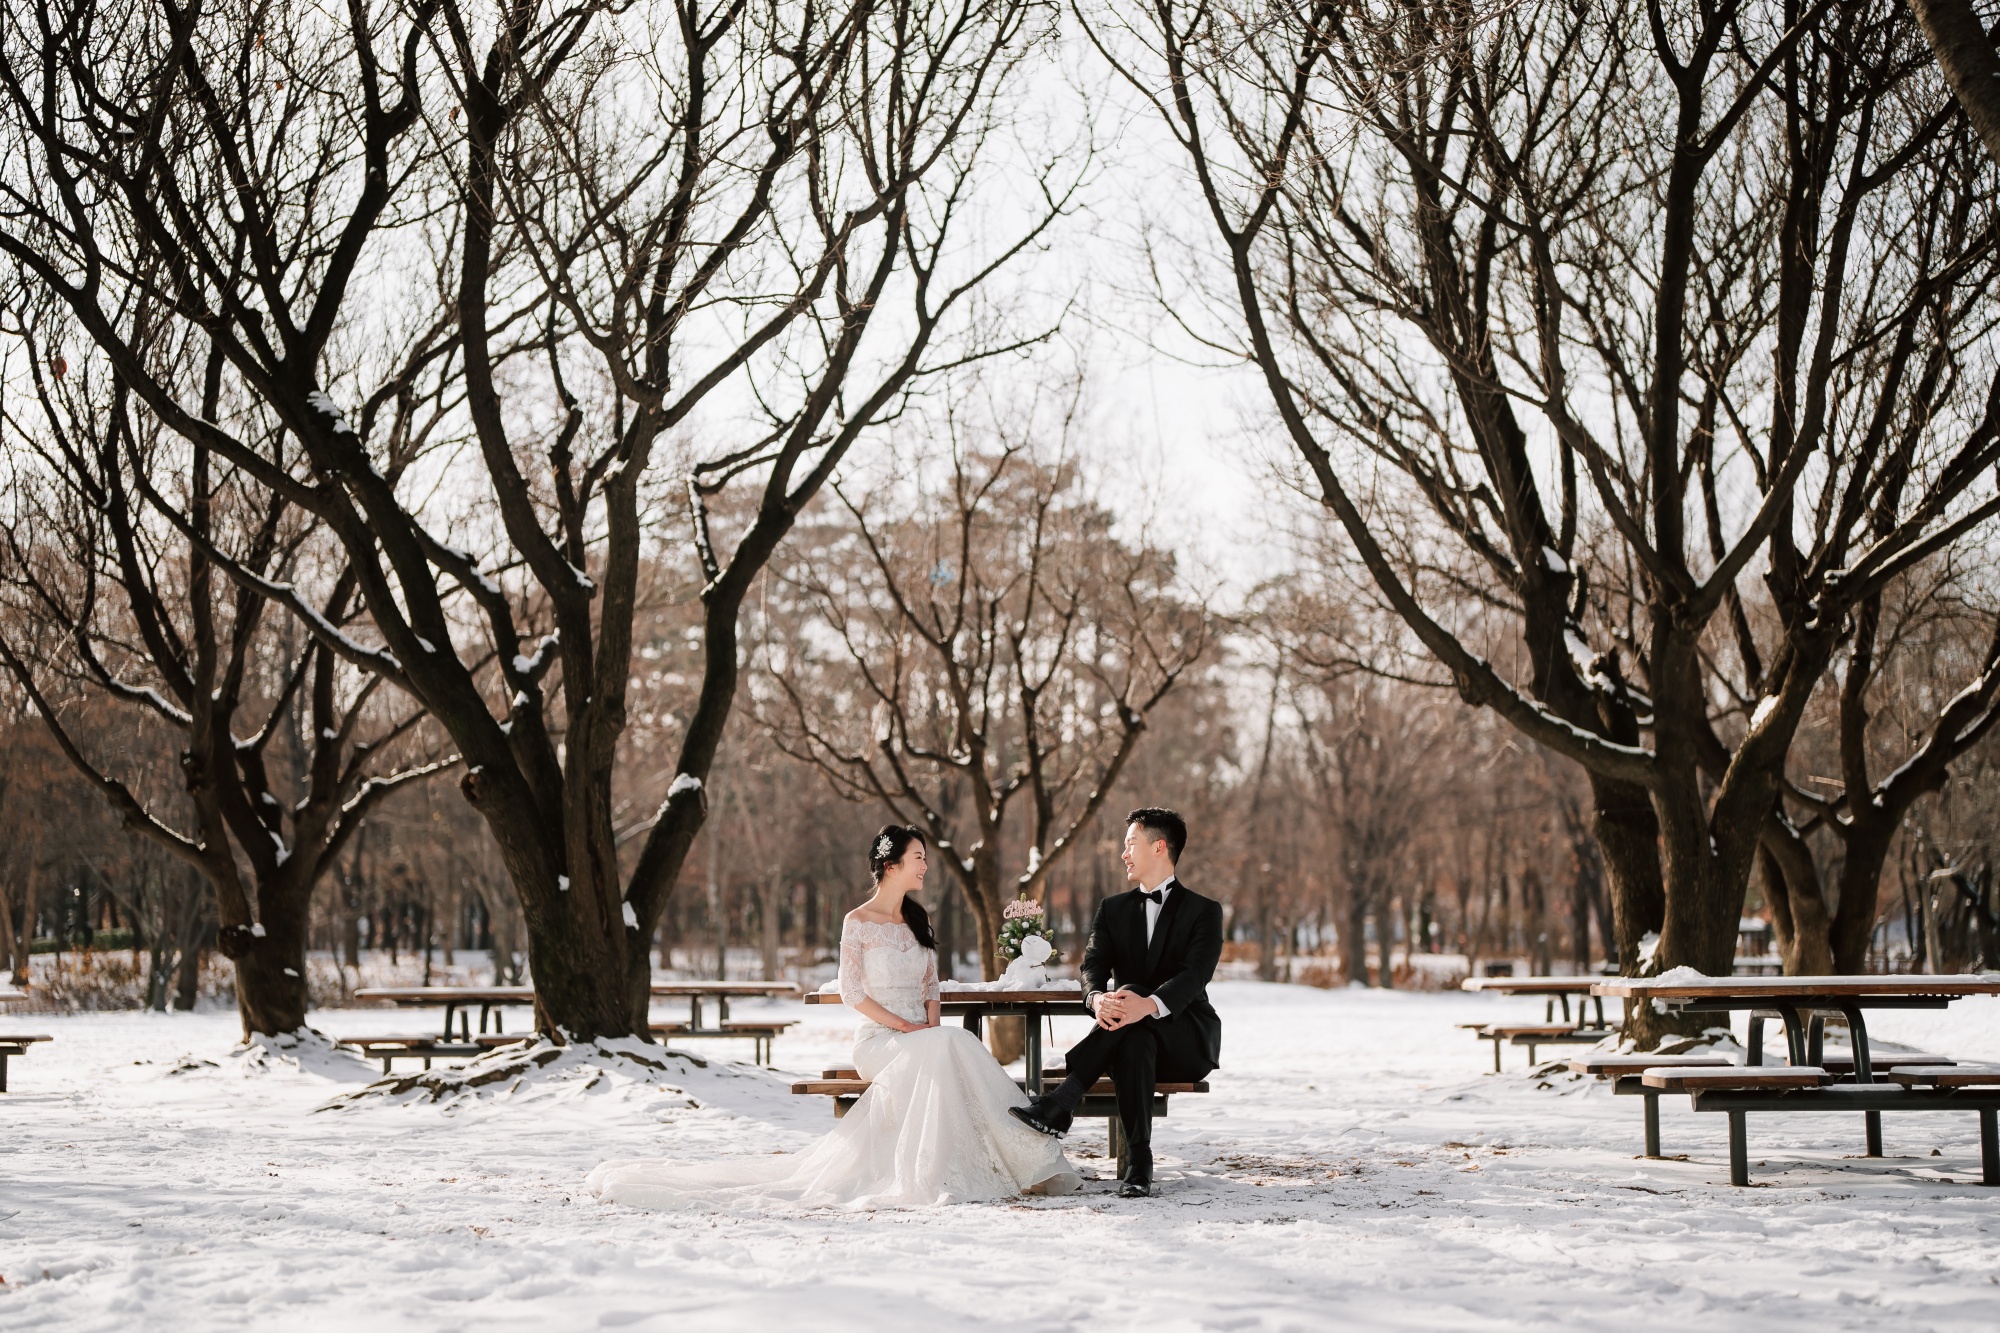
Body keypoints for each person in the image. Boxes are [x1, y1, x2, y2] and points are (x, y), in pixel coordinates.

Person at [588, 824, 1079, 1209]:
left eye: (925, 858)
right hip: (879, 1040)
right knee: (949, 1046)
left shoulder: (919, 920)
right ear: (890, 865)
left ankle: (1010, 1160)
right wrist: (906, 1028)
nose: (925, 866)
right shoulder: (857, 923)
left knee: (953, 1042)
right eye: (918, 858)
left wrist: (929, 1021)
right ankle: (957, 1167)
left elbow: (931, 983)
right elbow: (851, 991)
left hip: (922, 1034)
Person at [1009, 807, 1222, 1197]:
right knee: (1136, 1037)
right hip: (1127, 1037)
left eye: (1130, 844)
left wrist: (1149, 1002)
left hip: (1186, 1040)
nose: (1123, 854)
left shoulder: (1204, 911)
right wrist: (1097, 997)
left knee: (1137, 996)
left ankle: (1062, 1100)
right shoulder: (1113, 909)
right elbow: (1092, 967)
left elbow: (1195, 976)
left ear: (1159, 847)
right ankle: (1139, 1163)